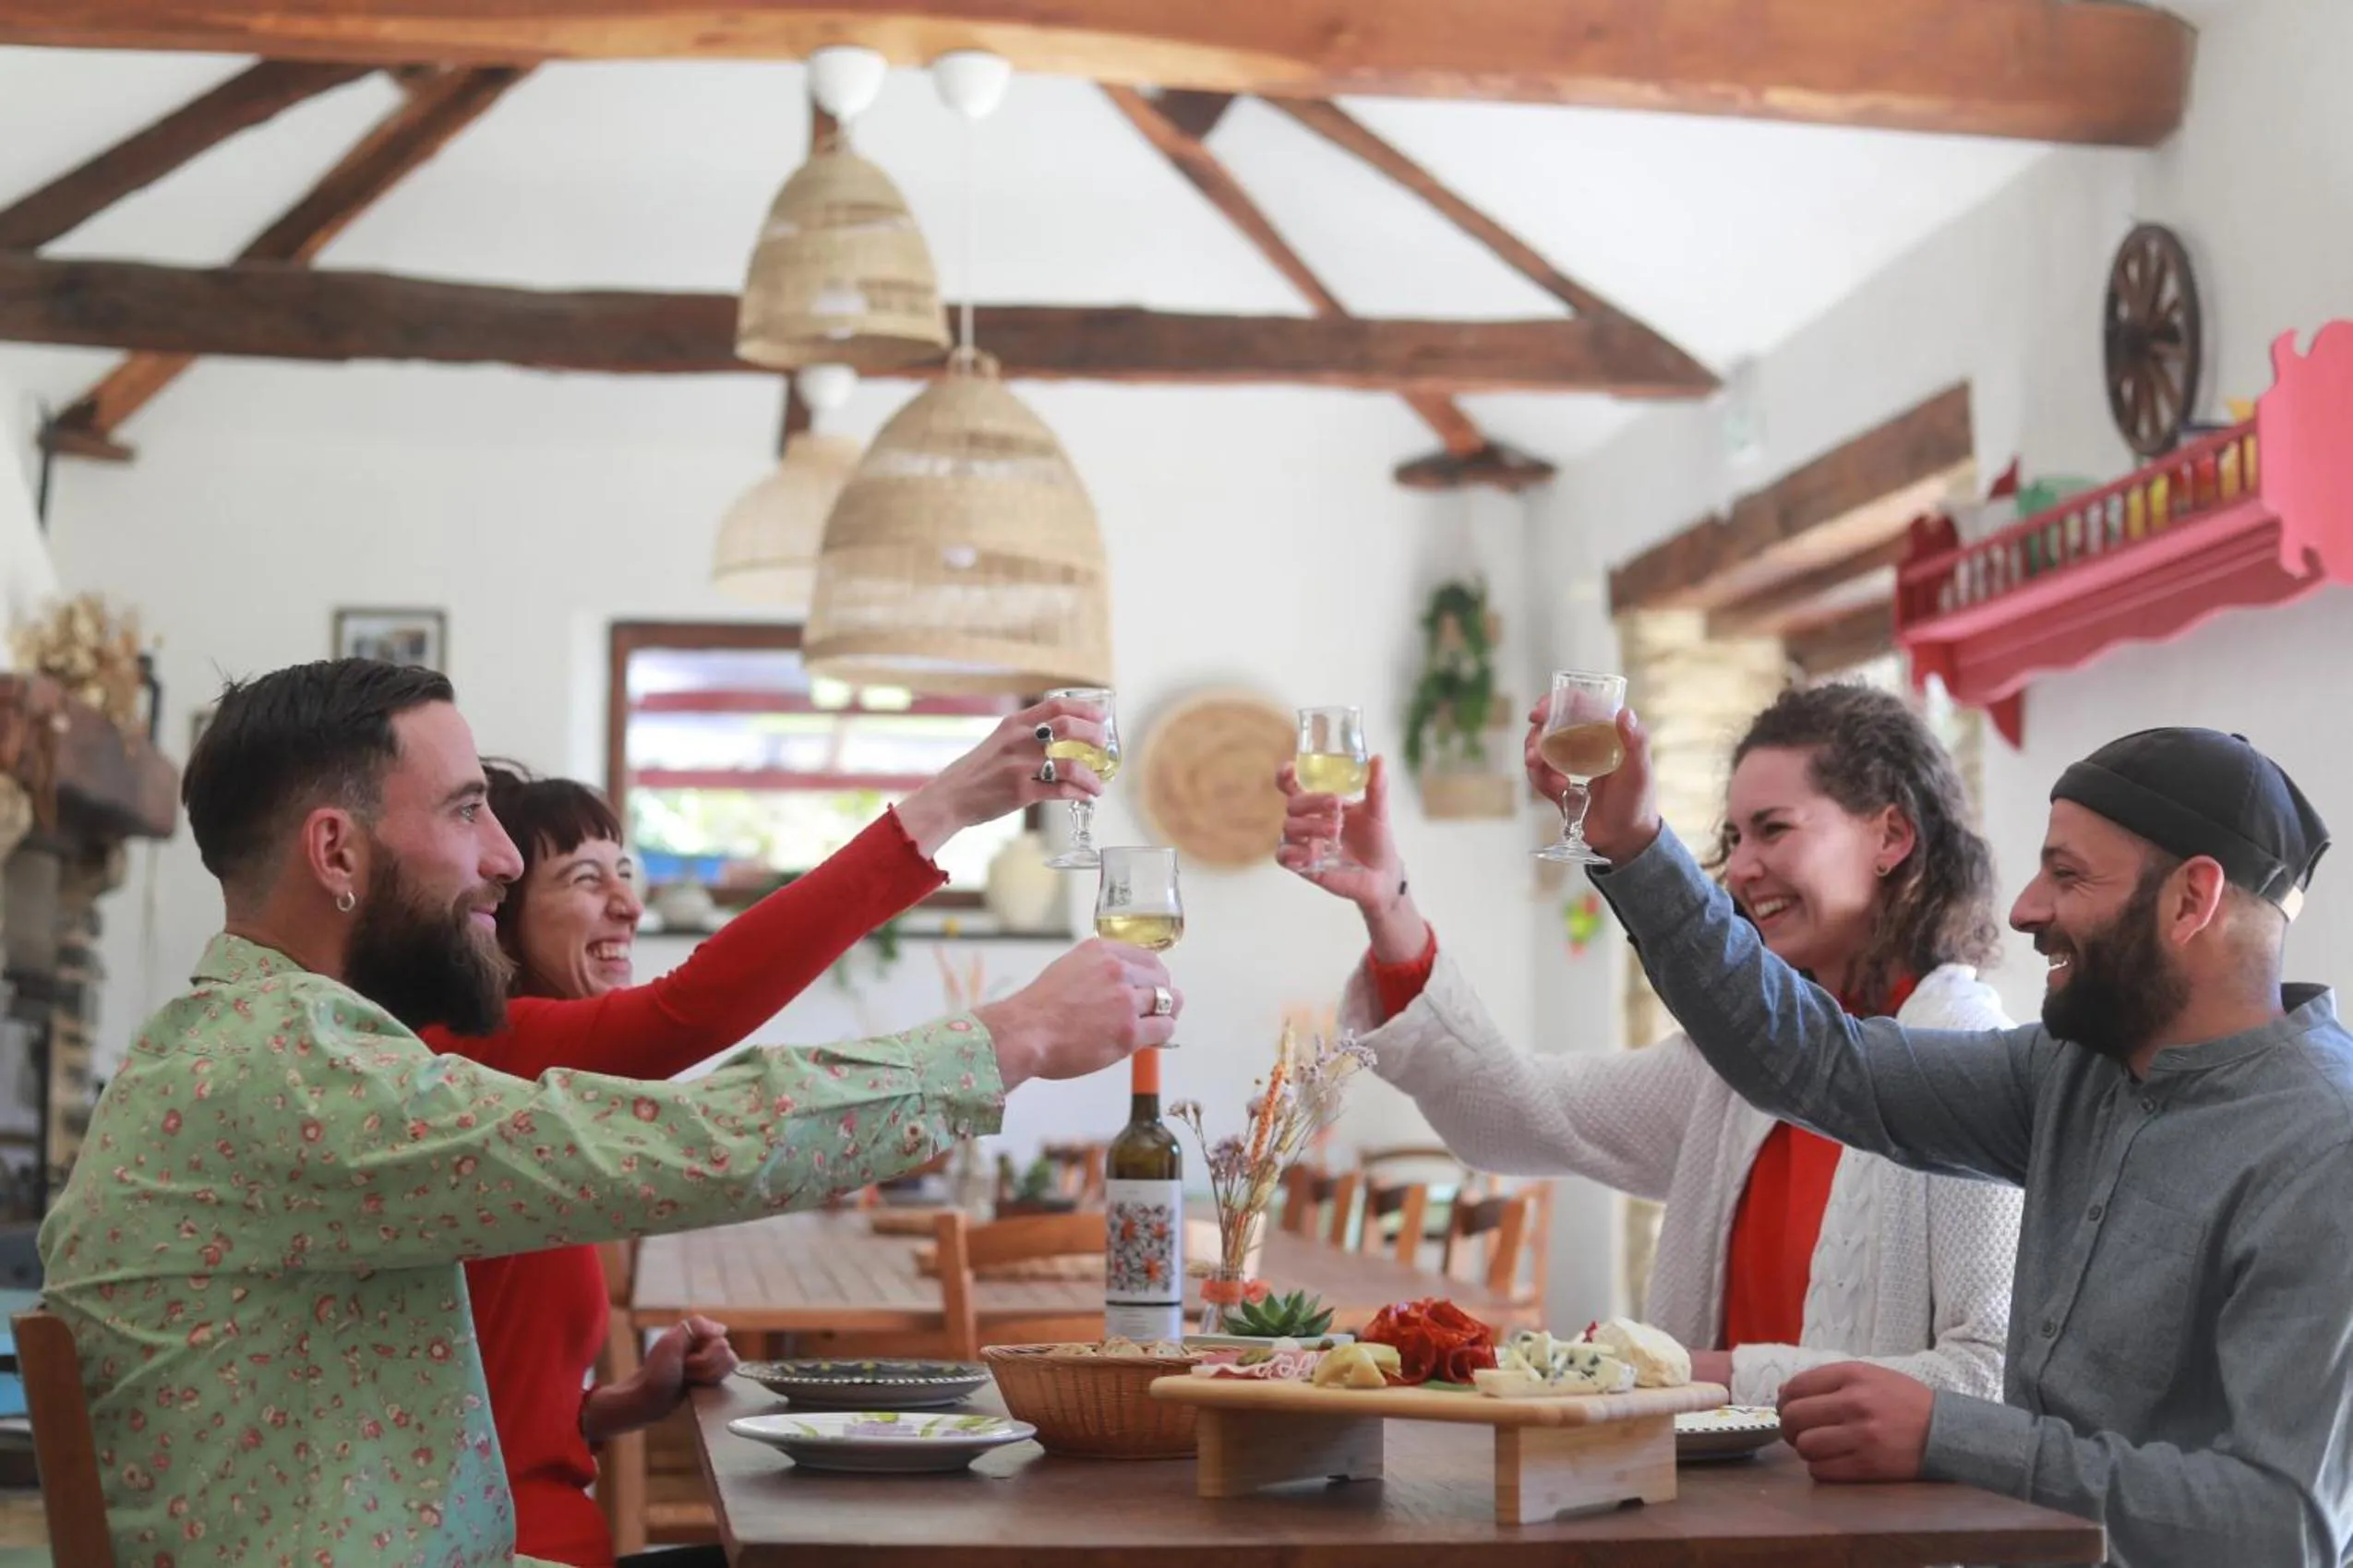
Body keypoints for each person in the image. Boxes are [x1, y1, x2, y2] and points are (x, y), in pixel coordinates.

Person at [37, 659, 1179, 1568]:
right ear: (337, 852)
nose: (498, 857)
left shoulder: (267, 1050)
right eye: (470, 809)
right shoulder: (283, 1068)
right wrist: (1011, 1037)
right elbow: (671, 1142)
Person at [1570, 709, 2353, 1568]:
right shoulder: (2073, 1071)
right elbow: (1818, 1063)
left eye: (2067, 875)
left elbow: (2282, 1528)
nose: (2025, 908)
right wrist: (1637, 845)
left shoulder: (2322, 1146)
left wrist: (1950, 1432)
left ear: (2190, 899)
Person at [437, 699, 1105, 1568]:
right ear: (499, 912)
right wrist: (943, 808)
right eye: (584, 880)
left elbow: (478, 1413)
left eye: (626, 873)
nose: (629, 907)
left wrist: (628, 1397)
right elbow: (692, 1007)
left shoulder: (533, 1096)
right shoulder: (483, 1051)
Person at [1278, 682, 2021, 1404]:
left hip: (1860, 1522)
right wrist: (1389, 903)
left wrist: (1710, 1374)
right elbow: (1510, 1111)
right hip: (1721, 1501)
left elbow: (1989, 1373)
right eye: (1733, 837)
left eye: (1773, 827)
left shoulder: (1963, 1054)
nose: (1741, 866)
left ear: (1889, 835)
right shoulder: (1733, 1073)